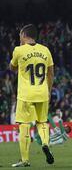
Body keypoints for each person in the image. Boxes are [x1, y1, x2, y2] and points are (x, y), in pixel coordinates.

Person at [10, 24, 54, 167]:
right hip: (42, 92)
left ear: (23, 35)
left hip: (25, 95)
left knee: (24, 125)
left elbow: (12, 67)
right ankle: (46, 144)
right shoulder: (45, 50)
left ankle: (25, 159)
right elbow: (51, 73)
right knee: (42, 122)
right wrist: (49, 90)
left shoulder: (19, 50)